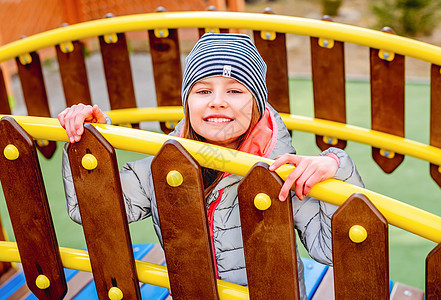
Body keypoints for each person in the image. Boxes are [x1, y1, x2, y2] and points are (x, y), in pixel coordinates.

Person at [58, 33, 363, 300]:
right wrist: (89, 142)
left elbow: (330, 249)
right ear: (187, 103)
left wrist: (336, 166)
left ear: (257, 103)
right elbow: (94, 210)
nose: (217, 101)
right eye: (203, 91)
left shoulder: (278, 174)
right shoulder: (164, 167)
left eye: (235, 90)